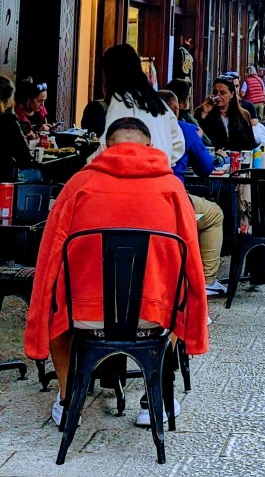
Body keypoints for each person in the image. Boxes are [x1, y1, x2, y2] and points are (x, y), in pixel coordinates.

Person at [24, 117, 208, 426]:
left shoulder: (78, 186)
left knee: (58, 311)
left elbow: (48, 260)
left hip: (84, 315)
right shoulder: (172, 189)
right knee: (179, 302)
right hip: (152, 315)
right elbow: (193, 263)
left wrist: (39, 321)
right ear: (151, 147)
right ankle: (153, 400)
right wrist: (198, 322)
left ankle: (69, 401)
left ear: (104, 148)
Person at [158, 90, 225, 298]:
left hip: (140, 199)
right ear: (176, 109)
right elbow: (205, 168)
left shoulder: (139, 129)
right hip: (172, 198)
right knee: (214, 214)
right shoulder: (185, 130)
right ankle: (207, 280)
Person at [101, 44, 185, 167]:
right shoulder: (158, 102)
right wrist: (164, 160)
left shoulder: (122, 101)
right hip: (161, 171)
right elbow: (179, 143)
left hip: (135, 171)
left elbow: (109, 142)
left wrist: (89, 163)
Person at [196, 75, 255, 151]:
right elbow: (196, 138)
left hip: (237, 156)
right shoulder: (204, 112)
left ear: (232, 94)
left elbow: (250, 144)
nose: (218, 96)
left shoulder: (243, 116)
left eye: (223, 93)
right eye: (215, 92)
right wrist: (203, 114)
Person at [0, 76, 35, 180]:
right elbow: (25, 158)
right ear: (10, 99)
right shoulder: (9, 121)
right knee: (38, 174)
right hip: (6, 179)